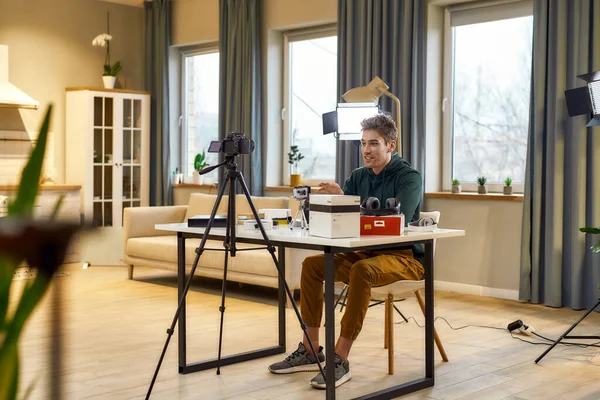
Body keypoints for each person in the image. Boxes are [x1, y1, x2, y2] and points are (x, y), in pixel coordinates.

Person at [268, 114, 424, 389]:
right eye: (363, 143)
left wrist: (349, 202)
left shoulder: (409, 177)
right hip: (365, 254)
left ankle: (340, 359)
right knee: (313, 265)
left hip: (404, 258)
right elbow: (345, 220)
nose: (366, 150)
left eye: (374, 143)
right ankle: (310, 348)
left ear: (391, 145)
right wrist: (337, 199)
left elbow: (396, 221)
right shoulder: (358, 176)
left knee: (360, 270)